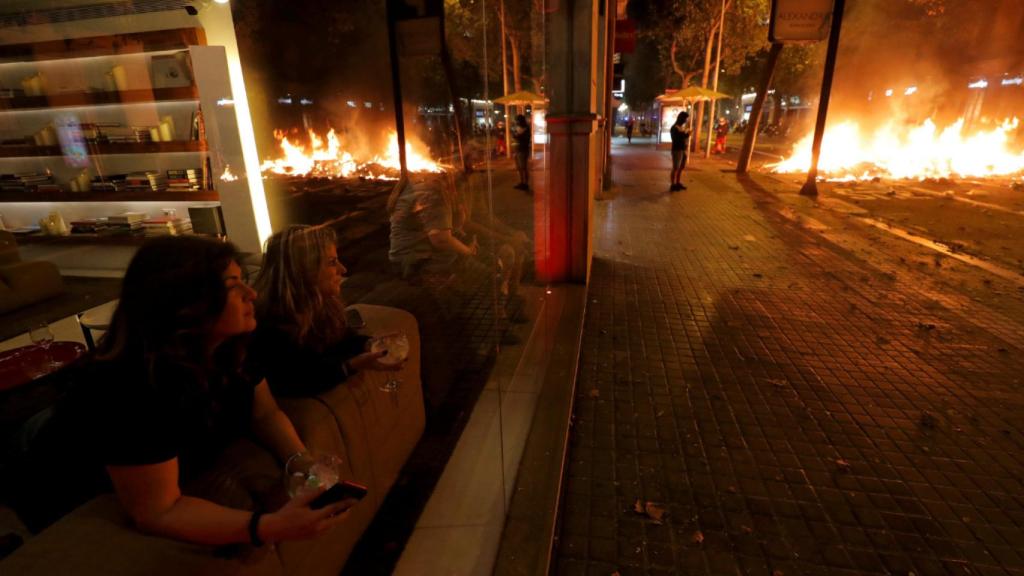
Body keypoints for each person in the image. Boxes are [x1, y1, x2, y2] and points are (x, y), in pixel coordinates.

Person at [7, 236, 354, 545]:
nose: (253, 294)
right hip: (47, 462)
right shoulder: (132, 387)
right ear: (188, 303)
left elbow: (264, 412)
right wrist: (269, 526)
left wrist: (301, 461)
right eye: (234, 285)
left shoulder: (234, 347)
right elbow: (157, 511)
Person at [249, 225, 400, 397]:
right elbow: (299, 379)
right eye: (332, 262)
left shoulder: (322, 306)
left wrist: (368, 344)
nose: (343, 270)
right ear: (303, 269)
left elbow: (341, 340)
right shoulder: (269, 325)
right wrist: (350, 366)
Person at [670, 111, 692, 191]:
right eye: (686, 119)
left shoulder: (681, 127)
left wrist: (686, 134)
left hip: (683, 150)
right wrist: (685, 134)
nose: (686, 120)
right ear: (682, 118)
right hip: (677, 150)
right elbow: (676, 139)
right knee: (676, 167)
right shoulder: (675, 128)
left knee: (681, 167)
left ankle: (678, 182)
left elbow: (682, 138)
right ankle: (673, 185)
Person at [511, 114, 531, 191]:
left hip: (523, 150)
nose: (516, 122)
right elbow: (516, 136)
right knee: (519, 167)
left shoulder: (526, 129)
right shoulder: (519, 128)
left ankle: (525, 184)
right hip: (518, 149)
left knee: (523, 167)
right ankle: (521, 182)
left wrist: (516, 136)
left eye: (517, 121)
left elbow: (521, 138)